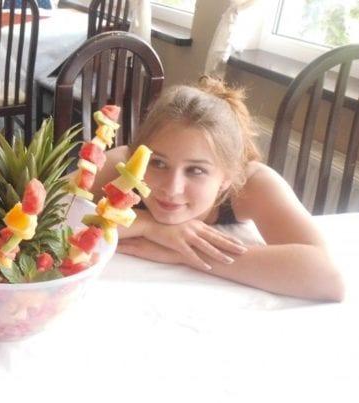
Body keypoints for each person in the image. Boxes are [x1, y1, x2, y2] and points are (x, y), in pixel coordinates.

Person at [92, 76, 344, 301]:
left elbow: (327, 278)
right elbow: (65, 209)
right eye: (158, 163)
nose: (172, 188)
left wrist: (188, 252)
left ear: (228, 177)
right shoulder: (123, 165)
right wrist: (149, 225)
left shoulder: (254, 183)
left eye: (196, 170)